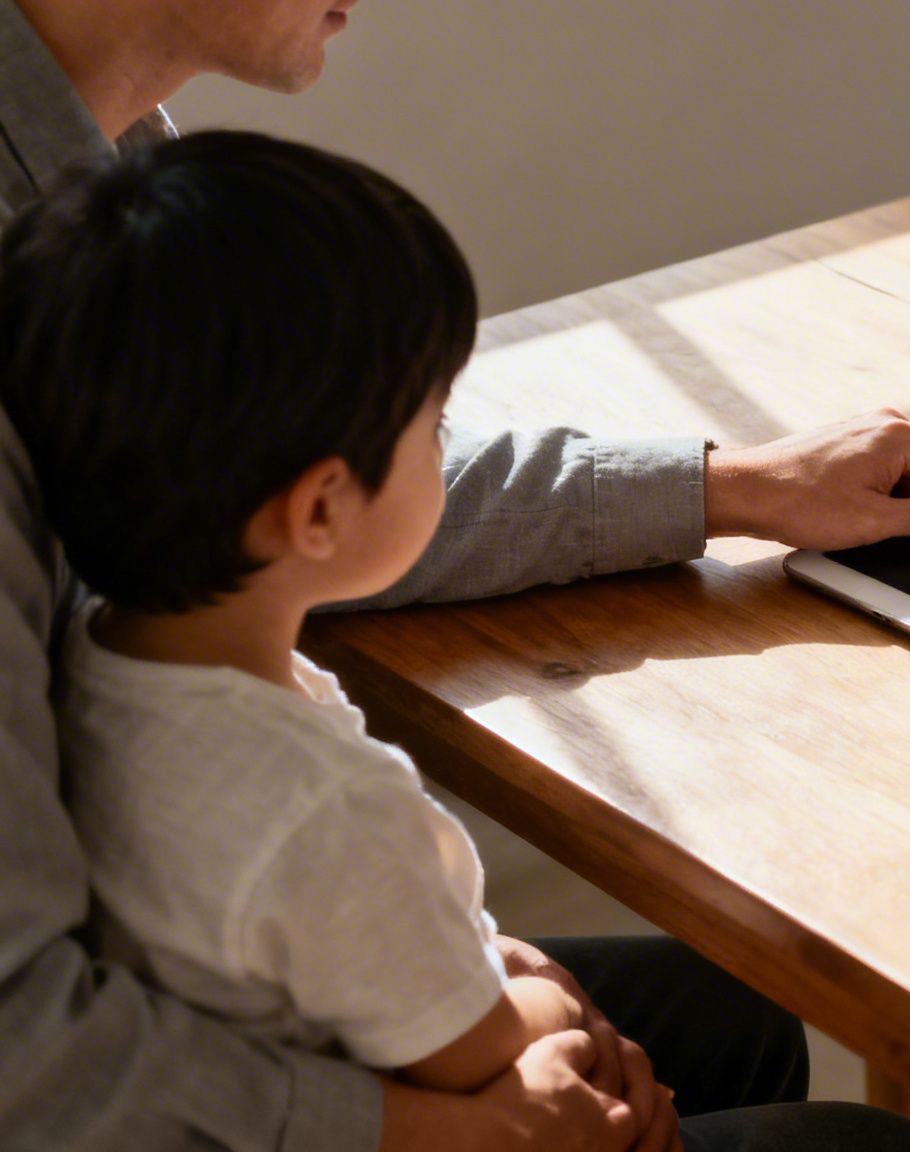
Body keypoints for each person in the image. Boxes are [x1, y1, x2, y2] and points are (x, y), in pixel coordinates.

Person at [0, 0, 910, 1148]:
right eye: (433, 423)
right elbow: (23, 1045)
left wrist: (726, 485)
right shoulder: (313, 799)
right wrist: (449, 1117)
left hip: (217, 953)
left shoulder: (118, 194)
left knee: (729, 1009)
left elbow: (284, 490)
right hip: (119, 1067)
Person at [0, 127, 710, 1143]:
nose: (440, 446)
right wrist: (549, 1005)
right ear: (320, 511)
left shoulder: (100, 660)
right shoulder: (320, 807)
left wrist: (484, 955)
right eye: (432, 426)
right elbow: (468, 1049)